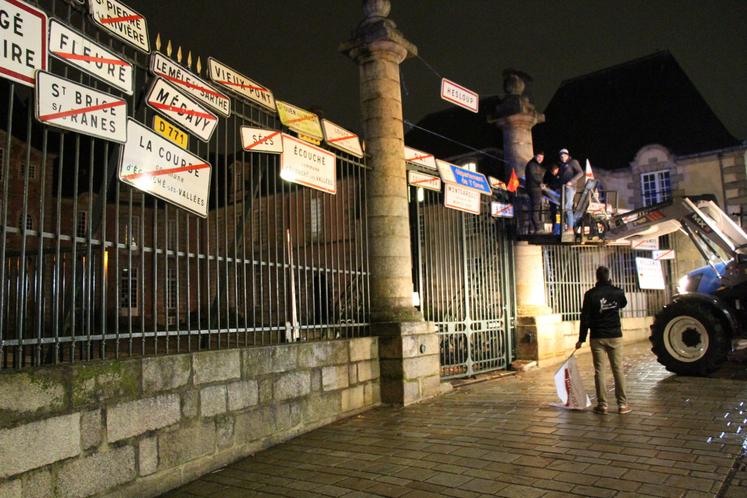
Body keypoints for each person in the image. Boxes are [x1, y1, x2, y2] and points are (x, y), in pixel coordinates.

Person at [575, 266, 630, 414]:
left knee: (600, 370)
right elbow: (624, 304)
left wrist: (581, 339)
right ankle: (622, 405)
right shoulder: (617, 292)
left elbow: (585, 318)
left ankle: (602, 405)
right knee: (618, 369)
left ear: (597, 277)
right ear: (608, 276)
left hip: (597, 337)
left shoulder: (590, 295)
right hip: (615, 336)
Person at [558, 148, 583, 232]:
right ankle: (564, 227)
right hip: (563, 189)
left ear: (567, 155)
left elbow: (580, 172)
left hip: (570, 188)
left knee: (568, 207)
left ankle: (570, 228)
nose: (562, 157)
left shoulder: (573, 162)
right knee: (562, 208)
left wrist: (571, 182)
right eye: (561, 156)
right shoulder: (561, 165)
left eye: (564, 155)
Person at [524, 150, 545, 234]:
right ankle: (537, 227)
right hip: (534, 188)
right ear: (535, 156)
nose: (540, 159)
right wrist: (541, 183)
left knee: (535, 208)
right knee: (535, 208)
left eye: (542, 158)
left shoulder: (536, 165)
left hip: (535, 188)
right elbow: (533, 176)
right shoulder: (532, 165)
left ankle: (533, 228)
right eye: (539, 157)